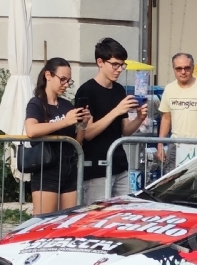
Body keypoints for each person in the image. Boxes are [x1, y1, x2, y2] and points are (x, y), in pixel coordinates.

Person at [74, 38, 142, 201]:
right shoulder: (86, 91)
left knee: (125, 214)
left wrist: (140, 118)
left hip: (119, 165)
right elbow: (87, 133)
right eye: (115, 64)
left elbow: (124, 130)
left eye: (122, 65)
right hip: (96, 167)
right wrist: (116, 110)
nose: (119, 69)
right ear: (100, 62)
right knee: (97, 217)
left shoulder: (119, 89)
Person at [26, 57, 91, 213]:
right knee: (44, 223)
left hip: (68, 168)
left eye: (69, 81)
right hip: (47, 168)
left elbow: (77, 142)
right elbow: (31, 130)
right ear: (48, 75)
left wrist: (83, 123)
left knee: (67, 223)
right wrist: (65, 121)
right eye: (62, 79)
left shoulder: (66, 105)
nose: (66, 84)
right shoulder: (36, 103)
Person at [156, 52, 197, 169]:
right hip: (176, 146)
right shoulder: (169, 89)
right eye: (178, 68)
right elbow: (166, 118)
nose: (183, 72)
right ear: (173, 69)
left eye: (187, 68)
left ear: (193, 68)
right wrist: (160, 144)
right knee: (172, 184)